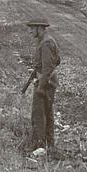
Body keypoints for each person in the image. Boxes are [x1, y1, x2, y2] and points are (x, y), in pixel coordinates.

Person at [26, 16, 61, 151]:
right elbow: (57, 60)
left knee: (39, 114)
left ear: (40, 28)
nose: (30, 31)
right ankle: (49, 144)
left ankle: (39, 146)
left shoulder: (46, 43)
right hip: (48, 81)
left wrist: (41, 86)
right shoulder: (46, 41)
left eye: (32, 28)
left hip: (45, 83)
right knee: (47, 112)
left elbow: (47, 67)